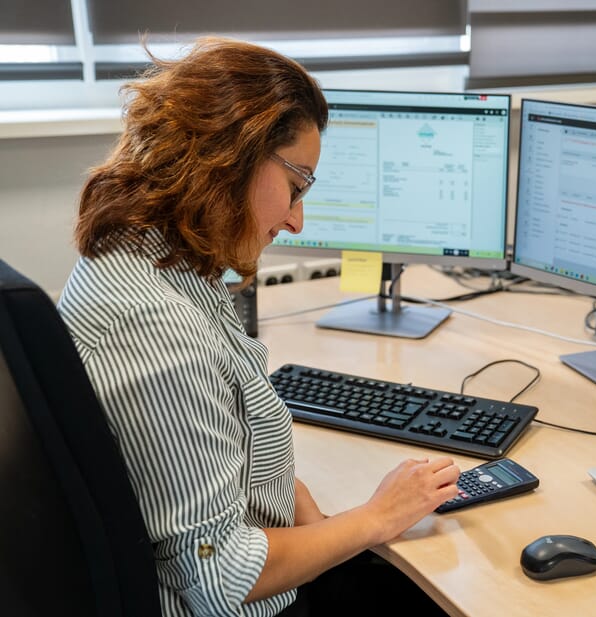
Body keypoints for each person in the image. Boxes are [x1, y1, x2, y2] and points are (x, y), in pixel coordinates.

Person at [56, 37, 460, 616]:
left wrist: (329, 532)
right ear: (230, 156)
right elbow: (223, 577)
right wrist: (375, 517)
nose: (297, 220)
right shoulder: (159, 334)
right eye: (296, 188)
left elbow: (236, 439)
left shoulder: (155, 259)